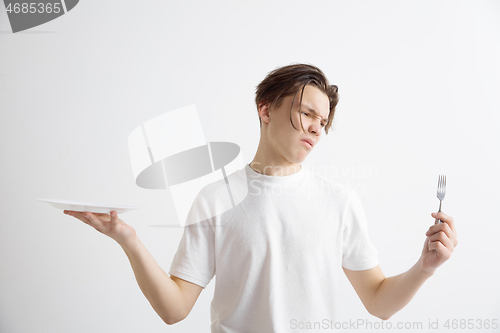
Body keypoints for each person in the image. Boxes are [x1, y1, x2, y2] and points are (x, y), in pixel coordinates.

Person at [64, 63, 458, 332]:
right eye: (306, 113)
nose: (316, 128)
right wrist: (127, 239)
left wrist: (425, 266)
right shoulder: (216, 198)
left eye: (323, 122)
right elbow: (174, 309)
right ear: (265, 109)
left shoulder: (338, 201)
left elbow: (378, 302)